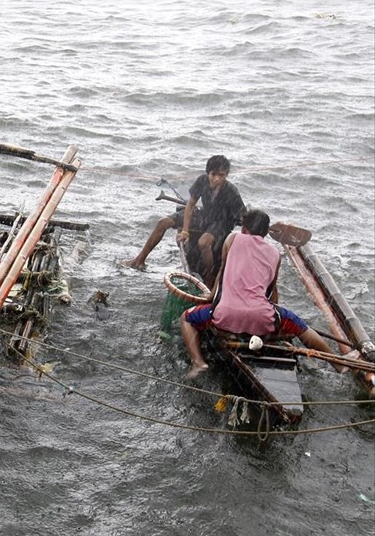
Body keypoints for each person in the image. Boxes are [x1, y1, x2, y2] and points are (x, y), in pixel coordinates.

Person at [180, 209, 350, 378]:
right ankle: (338, 364)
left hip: (225, 316)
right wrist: (274, 321)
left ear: (243, 229)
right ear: (265, 233)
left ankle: (198, 362)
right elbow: (272, 292)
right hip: (261, 320)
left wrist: (210, 298)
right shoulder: (275, 253)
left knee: (187, 318)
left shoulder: (232, 239)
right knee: (300, 326)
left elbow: (222, 273)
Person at [120, 155, 245, 285]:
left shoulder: (231, 191)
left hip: (221, 221)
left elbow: (244, 217)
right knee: (163, 222)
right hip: (205, 215)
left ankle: (210, 277)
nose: (217, 179)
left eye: (221, 175)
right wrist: (185, 231)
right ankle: (139, 260)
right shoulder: (202, 181)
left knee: (203, 243)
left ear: (226, 175)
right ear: (208, 173)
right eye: (213, 174)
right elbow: (190, 205)